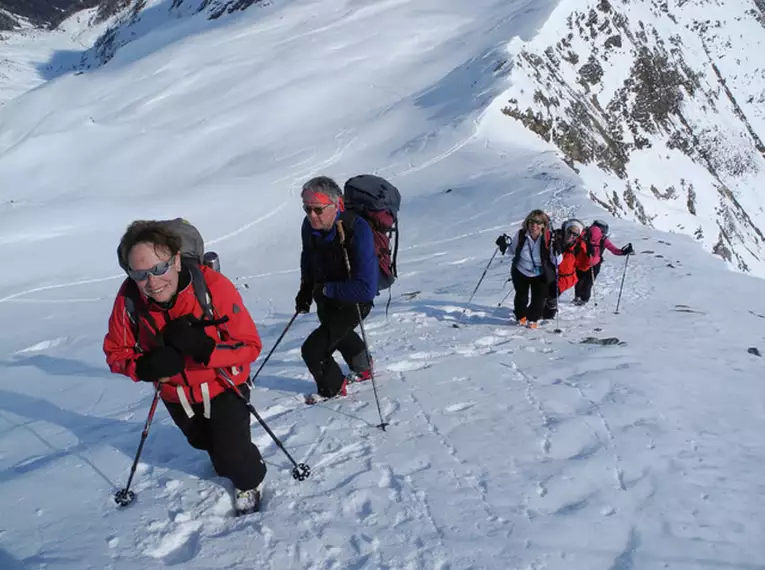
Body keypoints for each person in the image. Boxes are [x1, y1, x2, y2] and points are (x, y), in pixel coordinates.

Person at [103, 221, 266, 515]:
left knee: (232, 454)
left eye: (159, 268)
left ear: (176, 260)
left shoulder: (212, 287)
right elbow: (116, 353)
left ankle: (251, 479)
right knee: (201, 441)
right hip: (175, 394)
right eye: (139, 274)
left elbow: (250, 345)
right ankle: (229, 457)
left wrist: (205, 349)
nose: (152, 282)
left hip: (224, 385)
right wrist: (144, 366)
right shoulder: (129, 299)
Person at [296, 176, 377, 402]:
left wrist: (325, 290)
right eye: (307, 209)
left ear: (337, 205)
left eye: (318, 210)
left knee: (313, 350)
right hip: (326, 294)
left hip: (354, 300)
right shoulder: (309, 226)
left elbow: (366, 289)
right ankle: (363, 367)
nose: (312, 215)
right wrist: (305, 289)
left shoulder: (357, 230)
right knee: (337, 332)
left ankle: (332, 388)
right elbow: (308, 258)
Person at [496, 210, 561, 328]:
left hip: (541, 273)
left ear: (543, 225)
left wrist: (557, 250)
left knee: (539, 299)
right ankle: (521, 317)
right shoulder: (521, 235)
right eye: (531, 222)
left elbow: (557, 261)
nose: (534, 225)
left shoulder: (549, 238)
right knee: (521, 296)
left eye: (538, 222)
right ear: (527, 223)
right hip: (521, 271)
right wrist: (504, 245)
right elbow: (512, 251)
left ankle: (533, 320)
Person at [574, 220, 634, 305]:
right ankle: (584, 299)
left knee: (579, 280)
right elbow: (614, 250)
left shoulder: (584, 233)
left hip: (580, 262)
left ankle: (577, 296)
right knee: (589, 282)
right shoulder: (603, 239)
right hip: (594, 264)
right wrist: (624, 252)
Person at [543, 218, 586, 319]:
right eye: (570, 232)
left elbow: (583, 266)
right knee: (542, 295)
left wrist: (588, 256)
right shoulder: (554, 238)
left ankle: (548, 316)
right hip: (548, 274)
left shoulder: (578, 247)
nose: (571, 236)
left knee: (551, 296)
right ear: (565, 230)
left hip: (565, 278)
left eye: (575, 234)